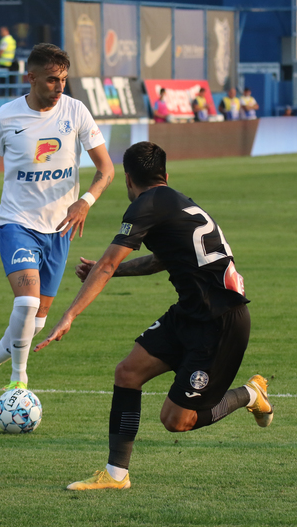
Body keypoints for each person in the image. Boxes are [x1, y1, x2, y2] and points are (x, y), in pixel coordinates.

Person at [35, 141, 273, 490]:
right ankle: (116, 475)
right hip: (191, 314)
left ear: (128, 179)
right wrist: (114, 272)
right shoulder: (175, 202)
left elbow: (106, 263)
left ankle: (249, 395)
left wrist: (68, 315)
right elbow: (160, 260)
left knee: (176, 421)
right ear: (165, 174)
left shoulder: (145, 205)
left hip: (219, 323)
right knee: (127, 372)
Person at [0, 42, 114, 416]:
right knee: (27, 303)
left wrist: (86, 202)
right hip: (17, 223)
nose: (59, 87)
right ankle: (20, 381)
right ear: (30, 78)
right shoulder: (5, 117)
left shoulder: (76, 111)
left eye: (63, 79)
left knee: (35, 324)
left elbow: (106, 170)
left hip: (60, 229)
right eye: (51, 80)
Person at [0, 26, 18, 95]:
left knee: (3, 80)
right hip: (10, 62)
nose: (0, 33)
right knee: (10, 80)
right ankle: (9, 93)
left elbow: (1, 51)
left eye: (1, 32)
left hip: (4, 63)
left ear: (6, 31)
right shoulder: (12, 40)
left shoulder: (5, 40)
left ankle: (3, 94)